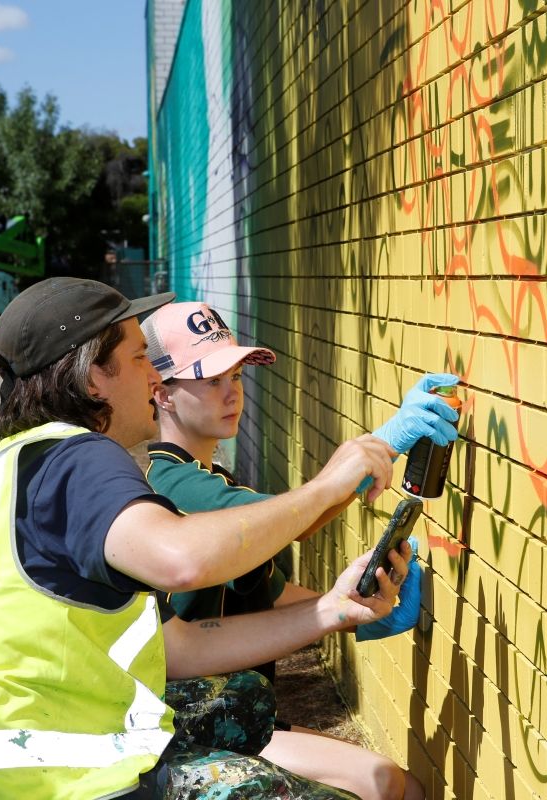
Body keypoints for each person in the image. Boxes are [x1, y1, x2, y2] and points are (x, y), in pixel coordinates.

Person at [0, 277, 411, 799]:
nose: (153, 377)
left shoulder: (16, 467)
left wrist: (333, 610)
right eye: (142, 357)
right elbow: (182, 560)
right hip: (31, 780)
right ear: (95, 377)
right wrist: (329, 483)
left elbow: (178, 649)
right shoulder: (76, 457)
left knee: (245, 698)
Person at [142, 302, 460, 800]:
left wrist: (358, 613)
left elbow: (266, 587)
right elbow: (297, 517)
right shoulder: (176, 483)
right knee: (387, 786)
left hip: (229, 709)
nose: (232, 392)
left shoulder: (204, 478)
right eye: (210, 380)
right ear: (161, 394)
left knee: (399, 786)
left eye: (238, 374)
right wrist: (386, 443)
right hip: (188, 718)